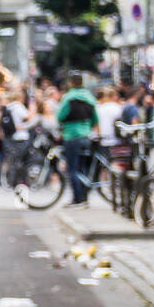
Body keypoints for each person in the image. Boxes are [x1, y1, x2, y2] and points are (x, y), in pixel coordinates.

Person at [56, 74, 99, 208]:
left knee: (72, 169)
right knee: (83, 168)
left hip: (71, 135)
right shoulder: (90, 98)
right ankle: (85, 197)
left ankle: (77, 199)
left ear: (71, 83)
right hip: (86, 135)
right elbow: (95, 119)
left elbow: (60, 116)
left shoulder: (68, 97)